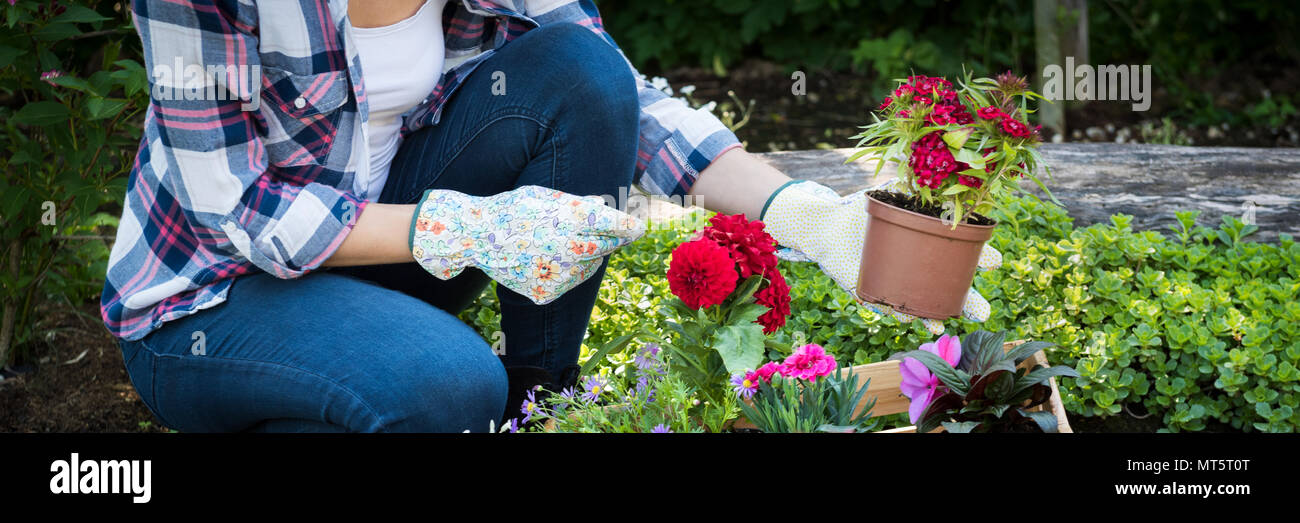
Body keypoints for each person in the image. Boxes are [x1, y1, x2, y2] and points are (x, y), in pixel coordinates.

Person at [102, 0, 997, 432]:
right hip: (216, 303)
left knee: (577, 73)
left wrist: (799, 211)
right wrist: (453, 230)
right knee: (448, 388)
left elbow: (620, 96)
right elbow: (239, 208)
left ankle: (542, 405)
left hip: (374, 253)